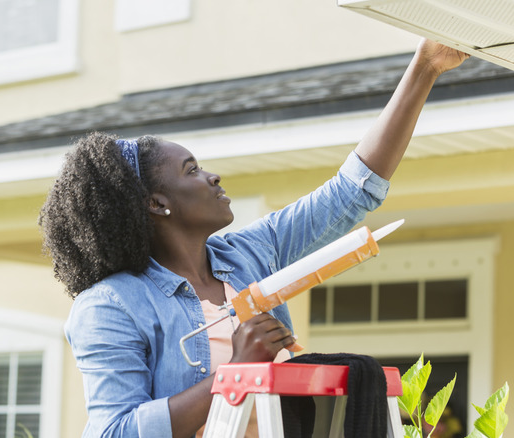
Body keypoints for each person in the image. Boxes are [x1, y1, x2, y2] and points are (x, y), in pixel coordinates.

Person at [39, 39, 469, 438]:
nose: (212, 176)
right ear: (156, 203)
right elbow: (113, 430)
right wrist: (238, 373)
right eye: (191, 170)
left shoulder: (250, 255)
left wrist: (426, 66)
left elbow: (352, 191)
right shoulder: (110, 305)